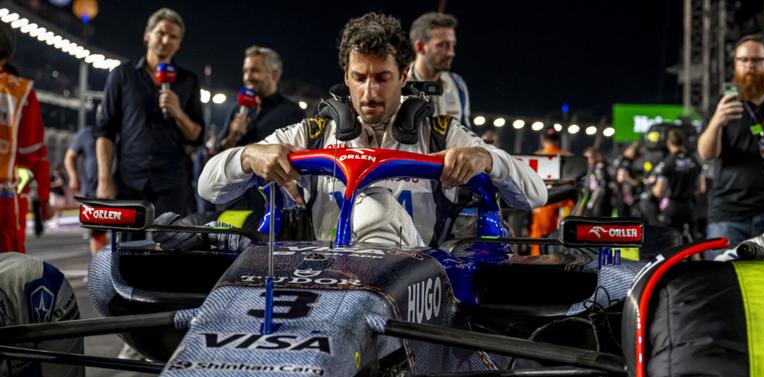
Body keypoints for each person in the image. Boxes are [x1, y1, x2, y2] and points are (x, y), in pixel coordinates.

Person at [199, 12, 547, 247]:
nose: (370, 92)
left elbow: (535, 195)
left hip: (416, 304)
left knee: (375, 206)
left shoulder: (440, 134)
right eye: (359, 78)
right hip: (326, 288)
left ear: (404, 76)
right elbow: (209, 187)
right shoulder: (316, 133)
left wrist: (486, 158)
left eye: (382, 78)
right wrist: (247, 155)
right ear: (346, 78)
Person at [698, 34, 764, 258]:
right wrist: (717, 122)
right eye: (743, 60)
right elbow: (706, 153)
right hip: (728, 215)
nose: (749, 65)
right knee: (723, 286)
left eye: (756, 60)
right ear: (735, 64)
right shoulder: (722, 103)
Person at [94, 8, 204, 219]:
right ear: (147, 34)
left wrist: (178, 112)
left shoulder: (188, 81)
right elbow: (105, 132)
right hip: (129, 178)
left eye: (173, 37)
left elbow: (197, 135)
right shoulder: (121, 76)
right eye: (161, 33)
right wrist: (104, 179)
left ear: (179, 43)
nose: (166, 40)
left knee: (171, 246)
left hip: (172, 179)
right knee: (126, 249)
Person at [217, 46, 304, 214]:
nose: (248, 77)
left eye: (255, 70)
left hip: (269, 207)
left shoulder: (291, 112)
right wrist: (233, 135)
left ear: (274, 74)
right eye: (246, 71)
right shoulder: (237, 110)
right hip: (232, 203)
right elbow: (220, 158)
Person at [0, 21, 52, 253]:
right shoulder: (20, 91)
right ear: (10, 52)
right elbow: (35, 153)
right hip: (6, 199)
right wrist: (43, 198)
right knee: (8, 272)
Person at [407, 12, 471, 127]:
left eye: (452, 45)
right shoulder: (396, 83)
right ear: (420, 47)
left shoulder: (458, 84)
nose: (451, 53)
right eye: (443, 45)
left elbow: (466, 130)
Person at [65, 105, 107, 254]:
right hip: (92, 192)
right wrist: (73, 176)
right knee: (97, 234)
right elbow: (70, 156)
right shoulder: (86, 134)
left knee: (122, 233)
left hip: (119, 190)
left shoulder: (121, 132)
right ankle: (99, 269)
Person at [650, 128, 705, 235]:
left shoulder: (667, 163)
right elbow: (702, 188)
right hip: (690, 206)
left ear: (669, 142)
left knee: (672, 241)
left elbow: (658, 192)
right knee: (693, 243)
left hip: (673, 208)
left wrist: (651, 188)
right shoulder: (695, 161)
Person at [612, 141, 641, 216]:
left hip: (621, 195)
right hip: (625, 195)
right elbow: (621, 178)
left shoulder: (621, 160)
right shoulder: (625, 161)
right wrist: (635, 182)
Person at [580, 147, 612, 217]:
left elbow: (601, 187)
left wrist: (592, 202)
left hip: (599, 202)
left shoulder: (600, 168)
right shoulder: (590, 169)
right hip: (592, 200)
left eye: (589, 157)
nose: (587, 160)